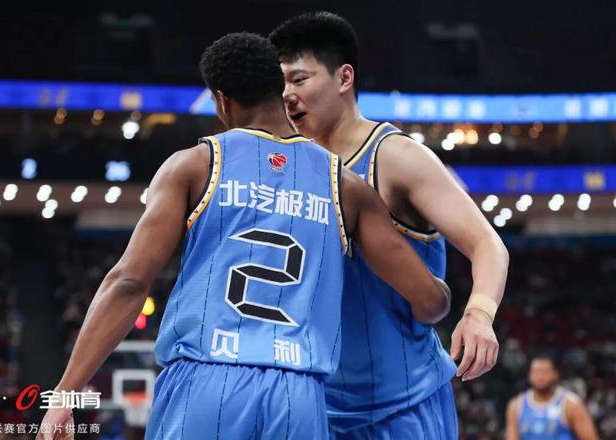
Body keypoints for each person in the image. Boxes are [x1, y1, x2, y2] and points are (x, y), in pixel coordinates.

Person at [37, 32, 451, 440]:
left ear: (222, 100)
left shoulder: (195, 165)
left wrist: (65, 394)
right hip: (299, 395)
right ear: (279, 89)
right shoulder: (343, 184)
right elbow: (430, 302)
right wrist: (448, 295)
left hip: (206, 378)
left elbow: (129, 283)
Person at [270, 12, 510, 439]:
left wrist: (479, 314)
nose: (288, 95)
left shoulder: (395, 156)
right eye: (281, 83)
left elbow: (487, 245)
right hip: (319, 406)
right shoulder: (288, 166)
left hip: (403, 407)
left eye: (299, 79)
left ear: (344, 77)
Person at [506, 355, 598, 440]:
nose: (540, 376)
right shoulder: (516, 405)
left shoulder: (571, 404)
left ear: (555, 374)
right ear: (529, 375)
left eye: (545, 372)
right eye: (536, 372)